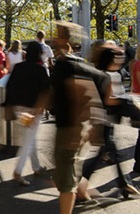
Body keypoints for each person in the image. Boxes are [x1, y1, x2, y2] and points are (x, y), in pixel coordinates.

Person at [49, 22, 111, 214]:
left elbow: (83, 94)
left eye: (57, 33)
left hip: (71, 129)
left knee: (66, 182)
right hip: (67, 127)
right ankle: (83, 192)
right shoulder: (62, 63)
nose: (53, 37)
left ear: (66, 39)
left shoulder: (69, 66)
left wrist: (81, 129)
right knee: (65, 173)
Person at [78, 45, 140, 199]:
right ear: (110, 59)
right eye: (117, 56)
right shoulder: (106, 76)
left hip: (107, 120)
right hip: (103, 120)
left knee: (107, 152)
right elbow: (109, 100)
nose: (121, 59)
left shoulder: (112, 74)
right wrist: (128, 100)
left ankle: (124, 183)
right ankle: (79, 187)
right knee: (106, 153)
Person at [4, 41, 50, 186]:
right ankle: (18, 171)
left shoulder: (18, 67)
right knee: (28, 142)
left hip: (19, 110)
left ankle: (36, 167)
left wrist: (8, 106)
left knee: (30, 138)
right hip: (33, 111)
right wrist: (40, 107)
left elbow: (10, 87)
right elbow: (46, 91)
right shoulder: (40, 69)